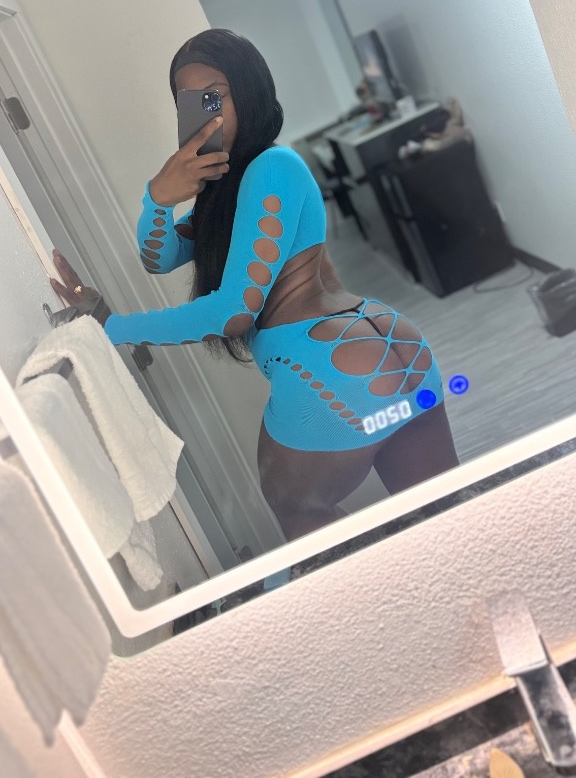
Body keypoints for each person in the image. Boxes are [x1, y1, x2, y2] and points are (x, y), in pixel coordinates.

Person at [52, 29, 458, 541]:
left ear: (249, 91)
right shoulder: (233, 189)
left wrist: (111, 327)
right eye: (190, 102)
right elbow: (160, 257)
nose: (205, 113)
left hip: (329, 367)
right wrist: (159, 198)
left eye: (215, 96)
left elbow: (233, 312)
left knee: (302, 513)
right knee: (448, 520)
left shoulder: (271, 166)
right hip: (393, 345)